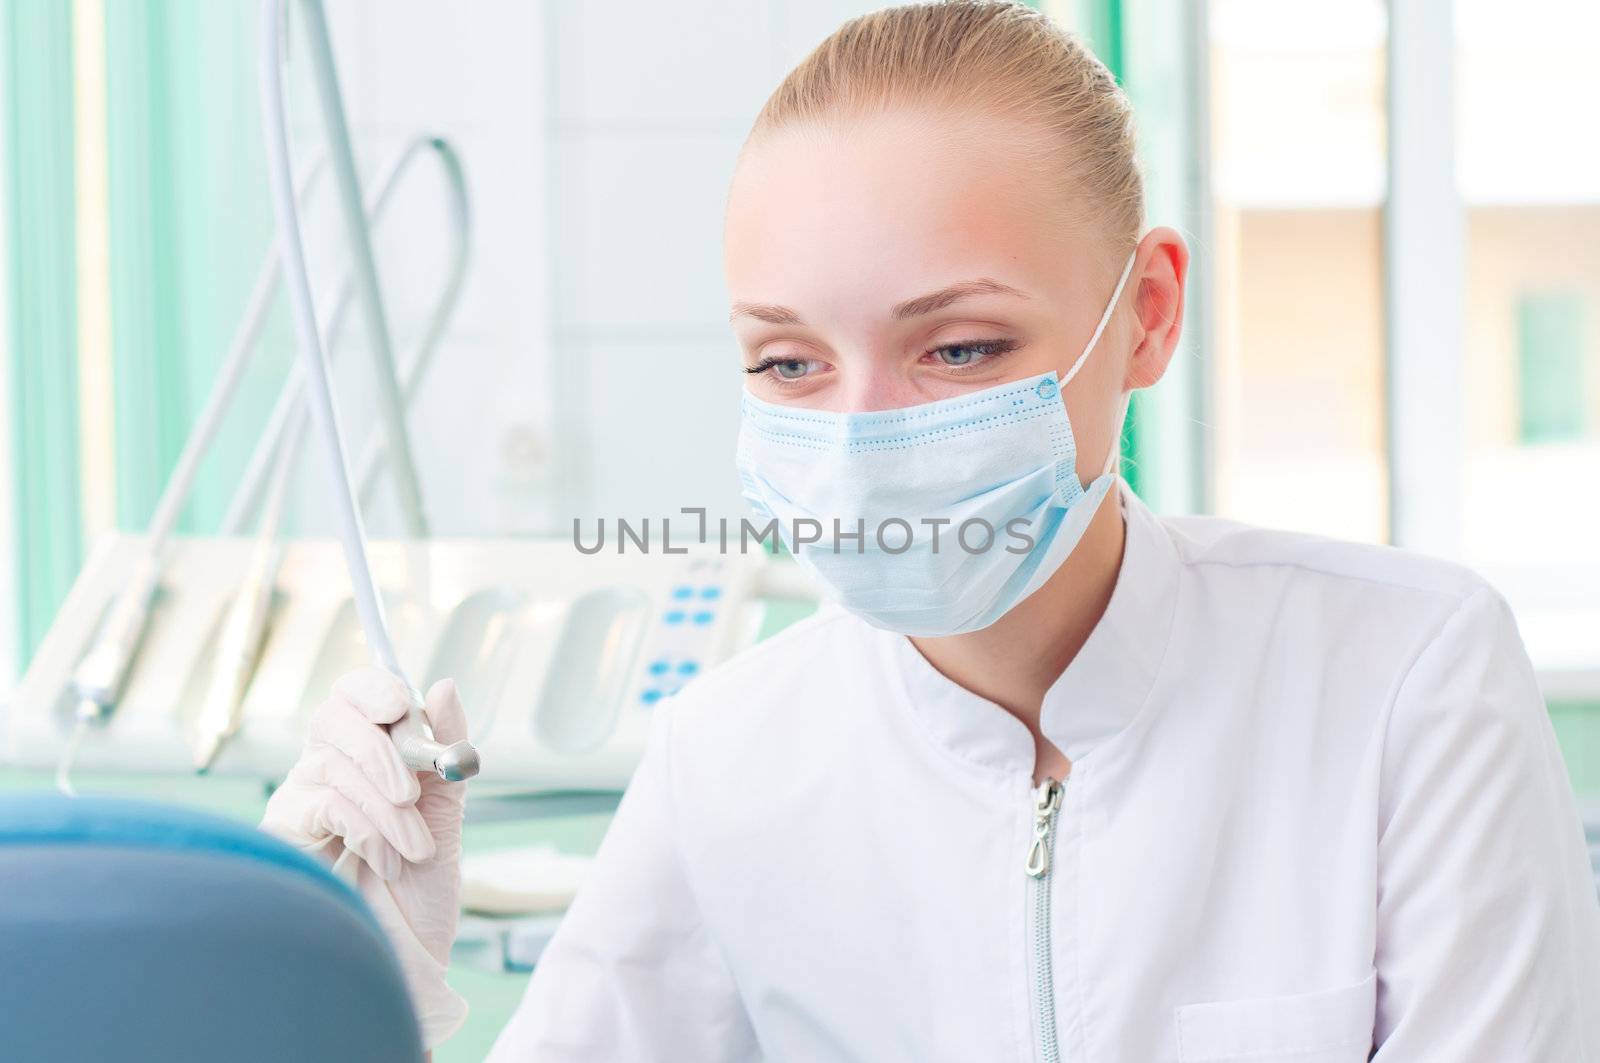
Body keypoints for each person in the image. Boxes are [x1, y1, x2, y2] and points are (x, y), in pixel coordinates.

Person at [262, 2, 1600, 1059]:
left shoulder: (1407, 685)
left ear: (1145, 313)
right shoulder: (730, 765)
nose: (861, 436)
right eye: (788, 364)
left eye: (958, 347)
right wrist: (364, 989)